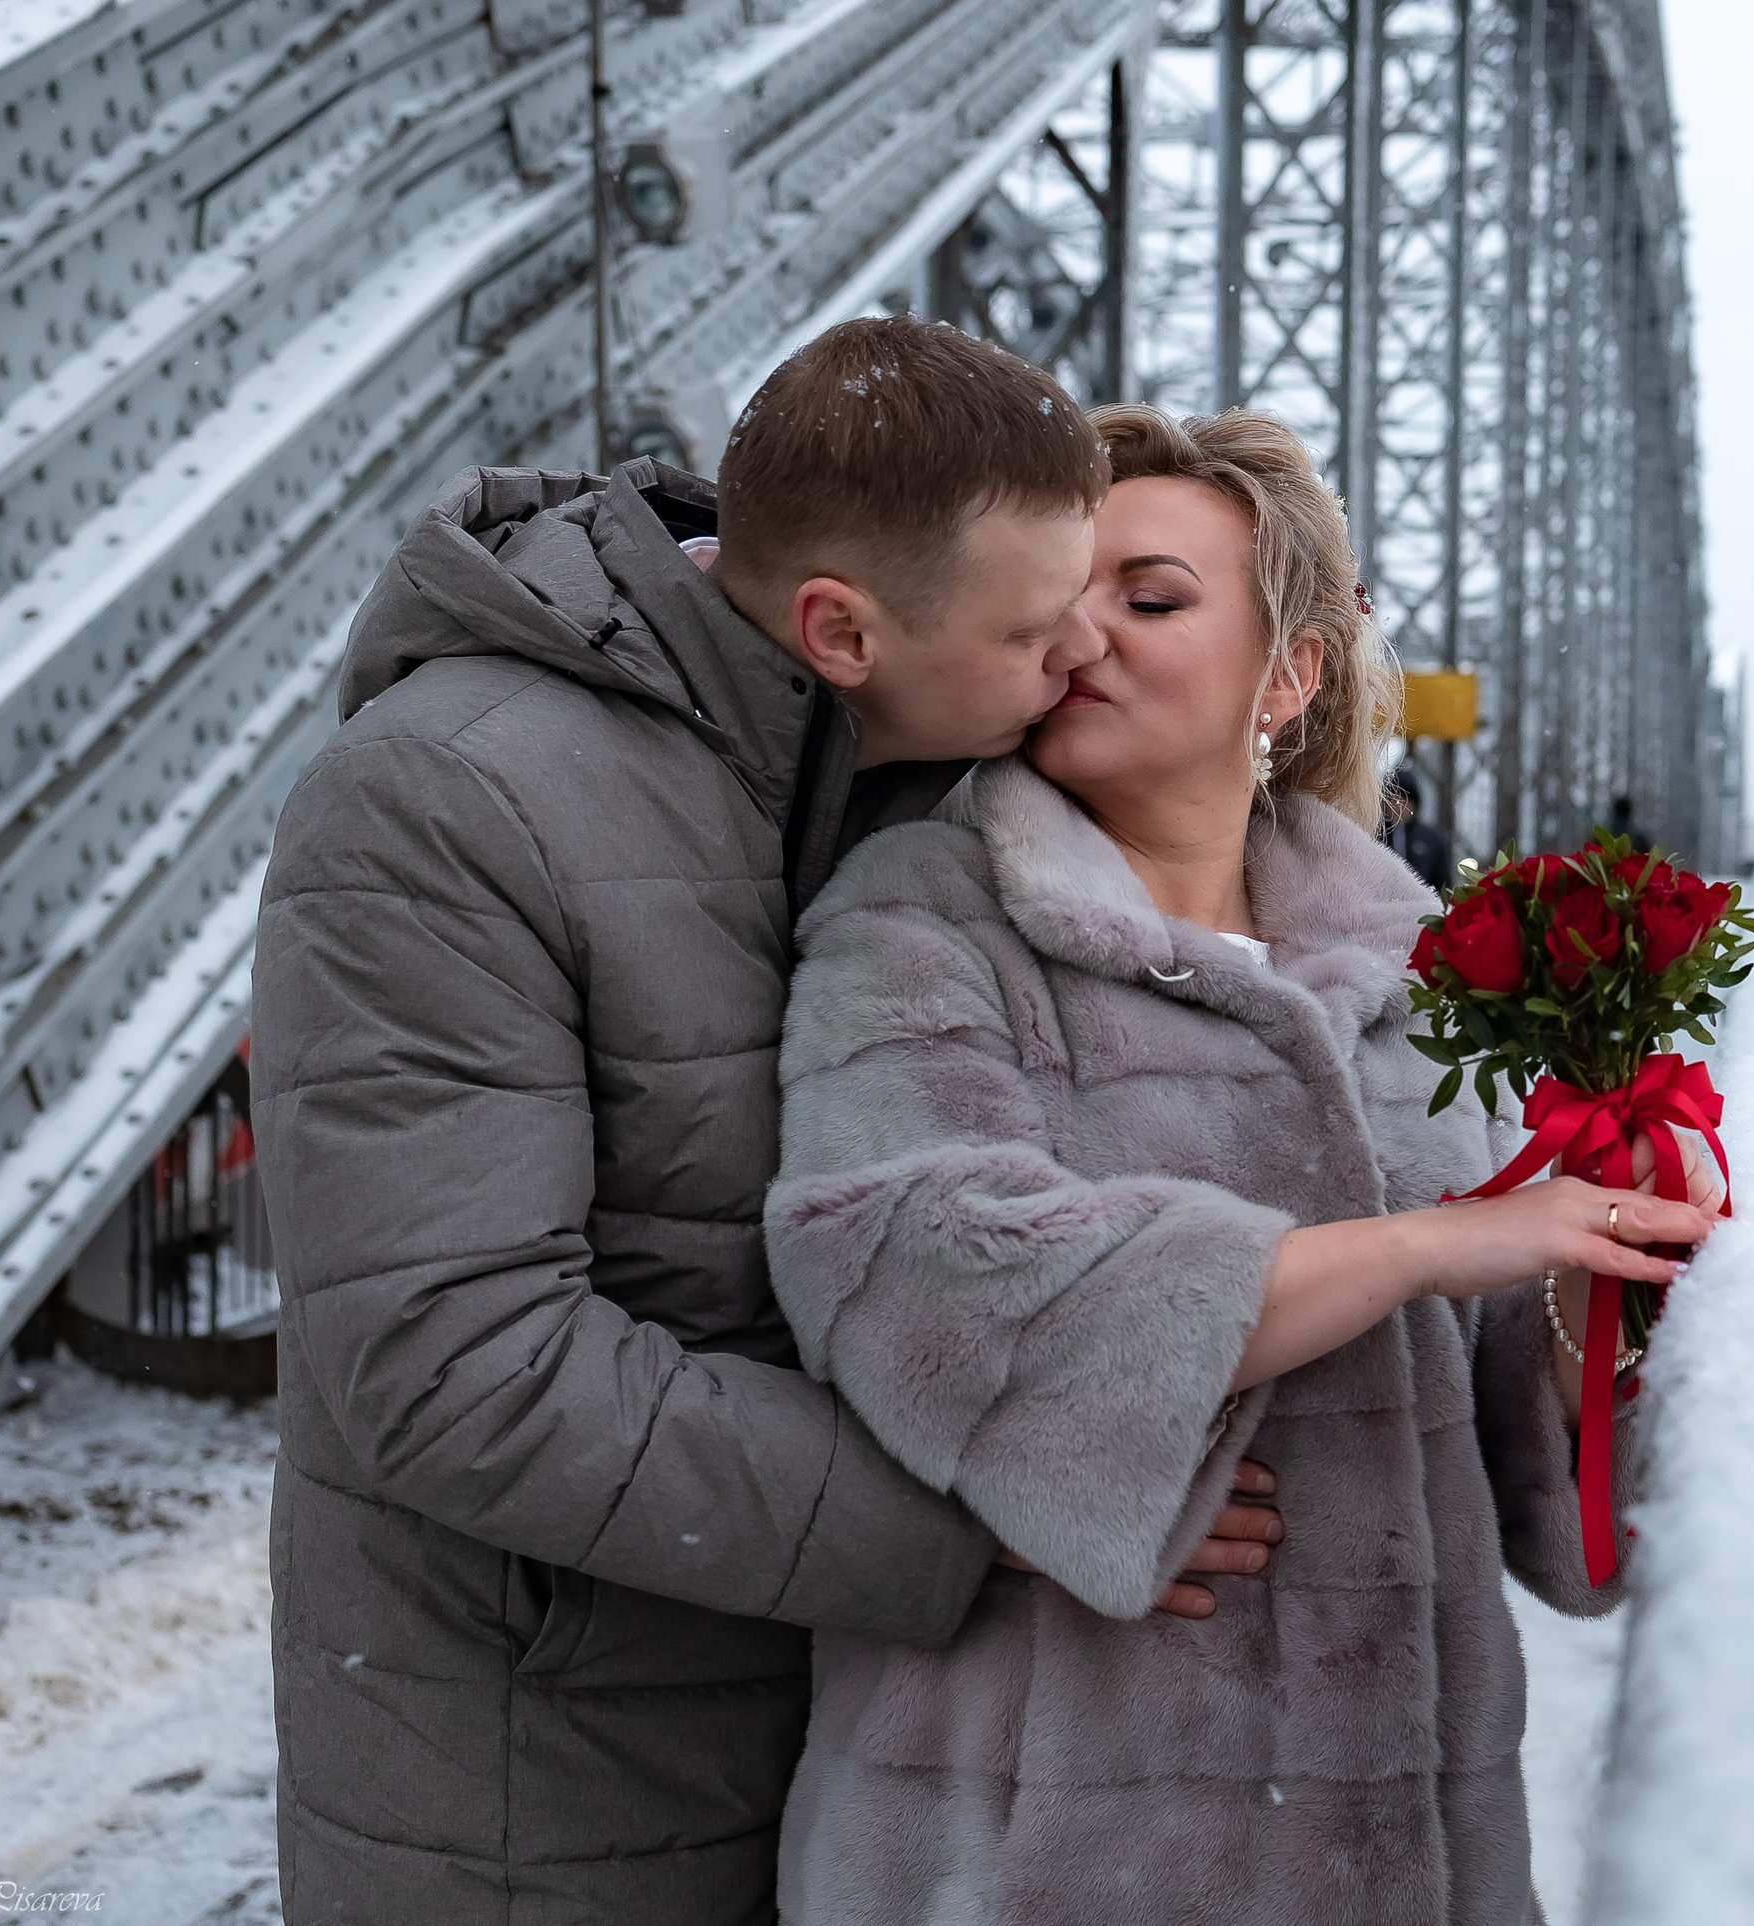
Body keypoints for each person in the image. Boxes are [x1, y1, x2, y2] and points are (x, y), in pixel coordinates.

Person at [248, 320, 1281, 1925]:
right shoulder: (439, 805)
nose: (1080, 655)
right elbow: (453, 1367)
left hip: (857, 1767)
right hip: (553, 1793)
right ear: (840, 629)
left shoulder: (922, 774)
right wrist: (977, 1503)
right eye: (1037, 629)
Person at [764, 404, 1723, 1922]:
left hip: (1403, 1851)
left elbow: (1540, 1503)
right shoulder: (924, 917)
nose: (1083, 633)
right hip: (1046, 1849)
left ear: (1289, 673)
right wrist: (1420, 1244)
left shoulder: (1415, 977)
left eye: (1149, 598)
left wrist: (1607, 1281)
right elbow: (913, 1264)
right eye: (1061, 595)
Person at [1386, 763, 1458, 887]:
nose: (1398, 804)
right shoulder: (1373, 835)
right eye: (1393, 798)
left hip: (1423, 903)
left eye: (1405, 798)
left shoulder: (1433, 839)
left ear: (1415, 803)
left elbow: (1443, 884)